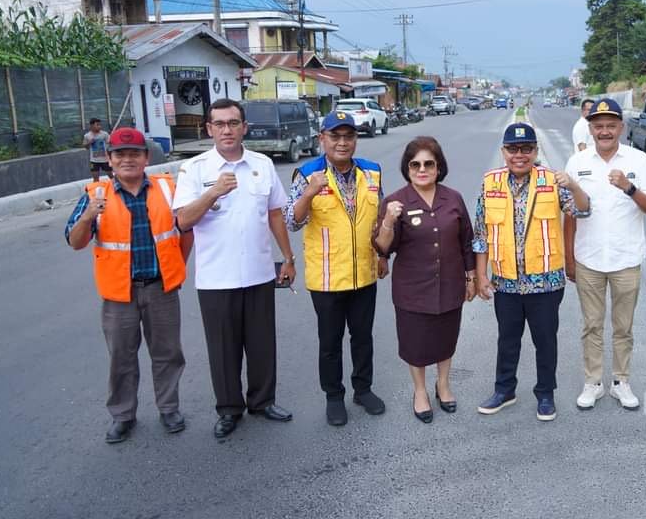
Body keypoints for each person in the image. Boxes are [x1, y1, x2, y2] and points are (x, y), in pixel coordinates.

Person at [173, 98, 297, 439]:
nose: (227, 130)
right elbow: (183, 220)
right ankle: (229, 409)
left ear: (244, 127)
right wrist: (212, 193)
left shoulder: (262, 164)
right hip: (216, 278)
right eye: (219, 124)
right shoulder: (194, 169)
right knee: (223, 348)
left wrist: (288, 257)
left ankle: (262, 400)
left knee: (262, 344)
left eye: (233, 123)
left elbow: (275, 213)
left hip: (259, 272)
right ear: (209, 129)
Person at [65, 127, 190, 444]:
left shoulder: (167, 188)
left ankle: (169, 408)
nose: (128, 159)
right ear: (109, 160)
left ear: (146, 157)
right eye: (120, 154)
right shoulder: (96, 195)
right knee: (121, 357)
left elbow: (185, 232)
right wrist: (87, 217)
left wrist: (176, 268)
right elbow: (76, 242)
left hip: (161, 288)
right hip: (119, 294)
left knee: (168, 353)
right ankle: (123, 415)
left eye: (135, 153)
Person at [474, 122, 590, 421]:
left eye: (526, 149)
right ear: (504, 151)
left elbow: (583, 209)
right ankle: (504, 390)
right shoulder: (490, 183)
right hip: (507, 282)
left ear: (536, 151)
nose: (520, 155)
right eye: (513, 149)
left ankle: (546, 394)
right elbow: (480, 235)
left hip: (546, 282)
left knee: (545, 341)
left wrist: (575, 185)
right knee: (507, 339)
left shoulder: (553, 181)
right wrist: (481, 276)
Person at [287, 111, 388, 427]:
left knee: (363, 337)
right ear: (322, 139)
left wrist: (383, 255)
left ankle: (363, 389)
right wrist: (308, 193)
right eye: (335, 136)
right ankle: (334, 396)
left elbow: (378, 219)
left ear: (356, 139)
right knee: (330, 342)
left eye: (349, 136)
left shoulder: (372, 172)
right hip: (327, 278)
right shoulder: (307, 174)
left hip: (364, 274)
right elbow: (292, 221)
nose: (342, 143)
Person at [565, 98, 646, 411]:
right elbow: (569, 214)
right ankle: (592, 382)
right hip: (589, 258)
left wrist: (629, 188)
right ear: (590, 129)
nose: (604, 131)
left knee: (623, 327)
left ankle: (621, 381)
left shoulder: (639, 161)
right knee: (591, 325)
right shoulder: (576, 163)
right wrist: (569, 258)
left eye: (610, 125)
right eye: (599, 126)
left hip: (625, 259)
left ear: (621, 127)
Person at [373, 136, 475, 424]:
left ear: (438, 166)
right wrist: (389, 221)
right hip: (412, 289)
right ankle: (420, 391)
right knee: (415, 343)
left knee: (446, 338)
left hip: (450, 284)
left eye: (429, 163)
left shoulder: (452, 198)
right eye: (415, 164)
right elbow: (382, 248)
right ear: (407, 168)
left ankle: (443, 385)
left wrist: (471, 277)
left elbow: (467, 240)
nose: (422, 169)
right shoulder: (395, 202)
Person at [83, 118, 112, 182]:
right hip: (94, 161)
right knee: (95, 179)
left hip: (105, 159)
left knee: (111, 176)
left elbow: (110, 143)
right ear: (91, 126)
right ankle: (96, 190)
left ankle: (117, 188)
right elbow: (85, 147)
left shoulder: (104, 134)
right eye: (97, 125)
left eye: (100, 125)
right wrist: (89, 142)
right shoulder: (87, 136)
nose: (99, 126)